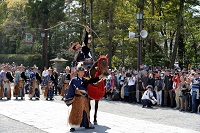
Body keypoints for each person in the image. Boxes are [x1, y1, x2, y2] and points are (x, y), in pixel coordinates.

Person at [64, 64, 103, 132]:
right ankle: (73, 125)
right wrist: (70, 98)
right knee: (75, 112)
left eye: (83, 72)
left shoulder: (85, 80)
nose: (82, 73)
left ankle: (86, 124)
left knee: (86, 112)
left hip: (84, 99)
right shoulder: (73, 80)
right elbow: (71, 90)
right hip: (77, 99)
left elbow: (92, 80)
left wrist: (100, 77)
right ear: (78, 72)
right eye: (80, 72)